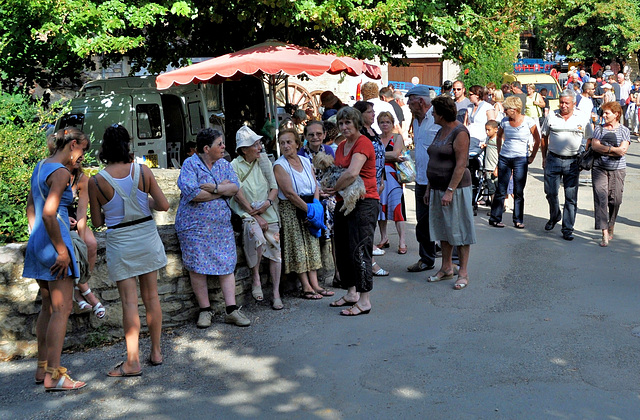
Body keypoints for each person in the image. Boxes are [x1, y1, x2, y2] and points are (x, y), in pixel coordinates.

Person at [88, 124, 168, 376]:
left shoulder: (97, 181)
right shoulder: (143, 171)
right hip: (146, 235)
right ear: (127, 144)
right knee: (152, 297)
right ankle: (156, 351)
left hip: (121, 241)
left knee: (129, 303)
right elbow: (163, 205)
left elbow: (98, 222)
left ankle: (132, 361)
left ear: (104, 148)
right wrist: (145, 201)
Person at [25, 128, 89, 391]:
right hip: (56, 244)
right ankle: (55, 375)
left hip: (39, 242)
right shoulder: (61, 172)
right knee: (62, 309)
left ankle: (42, 368)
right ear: (72, 144)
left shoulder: (41, 166)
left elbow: (32, 207)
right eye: (82, 149)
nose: (82, 156)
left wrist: (36, 237)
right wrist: (62, 251)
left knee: (48, 307)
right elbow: (51, 214)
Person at [174, 128, 250, 328]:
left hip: (220, 227)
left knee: (227, 265)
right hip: (194, 227)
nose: (224, 147)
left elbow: (234, 187)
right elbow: (193, 193)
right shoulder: (190, 164)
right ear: (207, 148)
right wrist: (222, 191)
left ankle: (232, 310)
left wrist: (215, 189)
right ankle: (205, 310)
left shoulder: (224, 164)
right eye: (220, 144)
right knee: (197, 267)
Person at [326, 106, 380, 315]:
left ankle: (365, 299)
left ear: (357, 123)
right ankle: (351, 292)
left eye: (348, 122)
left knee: (360, 249)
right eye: (341, 123)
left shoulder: (363, 143)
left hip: (364, 201)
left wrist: (333, 187)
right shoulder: (341, 146)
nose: (344, 126)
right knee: (343, 248)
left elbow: (352, 173)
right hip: (343, 201)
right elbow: (338, 170)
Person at [425, 96, 476, 290]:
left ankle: (462, 272)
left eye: (434, 111)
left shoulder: (460, 132)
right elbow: (434, 161)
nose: (432, 114)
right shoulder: (440, 131)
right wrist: (430, 188)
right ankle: (446, 267)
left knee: (460, 230)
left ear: (442, 113)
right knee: (443, 229)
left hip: (455, 189)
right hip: (438, 188)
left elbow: (461, 164)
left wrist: (449, 191)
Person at [273, 127, 331, 299]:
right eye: (282, 143)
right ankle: (306, 287)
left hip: (310, 205)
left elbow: (315, 185)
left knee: (312, 245)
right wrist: (308, 211)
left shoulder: (305, 161)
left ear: (297, 144)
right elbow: (289, 193)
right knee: (298, 247)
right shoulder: (279, 165)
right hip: (292, 208)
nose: (285, 146)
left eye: (289, 142)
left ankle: (315, 284)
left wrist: (315, 206)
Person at [230, 126, 283, 310]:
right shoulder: (234, 165)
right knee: (258, 239)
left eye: (259, 143)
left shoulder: (264, 161)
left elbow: (274, 187)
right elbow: (238, 193)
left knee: (276, 252)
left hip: (267, 210)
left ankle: (276, 293)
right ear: (244, 149)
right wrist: (255, 215)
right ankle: (256, 278)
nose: (259, 147)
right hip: (247, 212)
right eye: (255, 144)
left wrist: (267, 204)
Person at [540, 90, 587, 241]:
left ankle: (567, 228)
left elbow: (590, 138)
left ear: (574, 103)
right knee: (551, 192)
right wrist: (544, 157)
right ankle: (555, 215)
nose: (563, 105)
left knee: (570, 197)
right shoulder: (551, 116)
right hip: (553, 159)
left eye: (567, 103)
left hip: (573, 162)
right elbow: (544, 136)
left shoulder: (582, 117)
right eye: (561, 102)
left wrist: (583, 157)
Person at [298, 121, 340, 286]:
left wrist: (331, 189)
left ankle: (339, 273)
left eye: (318, 134)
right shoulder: (301, 154)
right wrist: (318, 192)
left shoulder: (329, 150)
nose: (315, 137)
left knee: (338, 234)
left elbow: (334, 173)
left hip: (329, 194)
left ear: (324, 135)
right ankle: (314, 280)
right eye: (311, 134)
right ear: (306, 137)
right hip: (311, 197)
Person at [488, 95, 541, 229]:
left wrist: (532, 156)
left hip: (520, 158)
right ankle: (495, 218)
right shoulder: (505, 121)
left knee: (518, 191)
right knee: (501, 189)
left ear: (515, 109)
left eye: (507, 109)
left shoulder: (528, 121)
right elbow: (499, 136)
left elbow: (537, 139)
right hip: (505, 158)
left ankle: (518, 219)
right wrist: (500, 152)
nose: (505, 112)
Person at [405, 86, 440, 272]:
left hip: (438, 179)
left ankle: (455, 261)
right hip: (421, 180)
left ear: (420, 101)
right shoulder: (416, 121)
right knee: (422, 222)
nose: (408, 104)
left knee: (444, 220)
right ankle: (426, 258)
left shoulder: (436, 118)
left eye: (410, 100)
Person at [588, 101, 630, 247]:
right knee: (601, 199)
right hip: (599, 168)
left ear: (616, 114)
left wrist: (605, 148)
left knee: (615, 200)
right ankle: (604, 232)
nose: (604, 115)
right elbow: (595, 145)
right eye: (603, 112)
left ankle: (611, 224)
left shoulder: (624, 130)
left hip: (618, 169)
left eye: (607, 113)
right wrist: (614, 150)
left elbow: (623, 150)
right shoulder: (599, 129)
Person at [353, 100, 388, 274]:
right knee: (365, 226)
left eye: (373, 111)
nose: (373, 114)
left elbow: (379, 157)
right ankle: (370, 263)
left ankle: (368, 259)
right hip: (364, 185)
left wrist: (381, 179)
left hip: (376, 184)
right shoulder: (359, 134)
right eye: (369, 111)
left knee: (370, 223)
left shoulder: (373, 131)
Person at [376, 111, 408, 254]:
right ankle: (384, 238)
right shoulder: (376, 138)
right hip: (379, 176)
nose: (385, 125)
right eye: (382, 122)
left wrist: (379, 155)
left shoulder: (397, 137)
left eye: (387, 122)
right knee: (380, 209)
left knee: (397, 208)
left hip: (393, 177)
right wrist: (388, 156)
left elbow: (396, 154)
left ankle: (402, 241)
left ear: (392, 123)